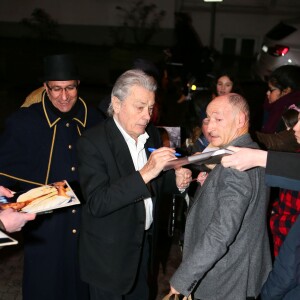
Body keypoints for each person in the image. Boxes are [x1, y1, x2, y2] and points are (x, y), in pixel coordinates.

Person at [76, 69, 192, 300]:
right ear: (116, 104)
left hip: (144, 247)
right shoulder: (92, 142)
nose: (147, 116)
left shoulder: (153, 135)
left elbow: (156, 183)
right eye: (139, 107)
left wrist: (176, 181)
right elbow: (98, 202)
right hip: (108, 258)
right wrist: (147, 171)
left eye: (150, 108)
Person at [0, 54, 103, 300]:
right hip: (44, 230)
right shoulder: (23, 122)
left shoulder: (97, 120)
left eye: (70, 88)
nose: (64, 96)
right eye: (56, 89)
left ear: (78, 84)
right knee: (44, 288)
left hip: (88, 227)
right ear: (45, 88)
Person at [168, 93, 272, 299]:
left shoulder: (237, 162)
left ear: (240, 120)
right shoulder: (249, 152)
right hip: (236, 272)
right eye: (207, 118)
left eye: (218, 119)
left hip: (225, 280)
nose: (210, 126)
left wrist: (183, 279)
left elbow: (220, 232)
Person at [262, 64, 300, 134]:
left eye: (271, 90)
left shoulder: (292, 113)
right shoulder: (271, 106)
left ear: (286, 91)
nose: (267, 93)